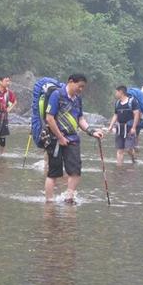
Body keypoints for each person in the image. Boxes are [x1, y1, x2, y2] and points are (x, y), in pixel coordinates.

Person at [43, 73, 103, 203]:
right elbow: (49, 118)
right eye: (79, 86)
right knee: (53, 173)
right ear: (70, 81)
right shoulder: (57, 95)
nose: (80, 89)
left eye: (83, 87)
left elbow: (80, 119)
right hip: (55, 140)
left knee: (75, 172)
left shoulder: (77, 99)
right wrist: (60, 137)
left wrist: (91, 132)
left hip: (73, 139)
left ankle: (69, 198)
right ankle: (49, 202)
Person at [106, 85, 142, 165]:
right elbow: (115, 115)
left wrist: (134, 127)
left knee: (128, 148)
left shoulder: (132, 101)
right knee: (120, 150)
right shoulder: (117, 103)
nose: (115, 94)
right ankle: (119, 168)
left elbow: (136, 114)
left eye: (116, 92)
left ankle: (133, 158)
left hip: (129, 128)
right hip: (119, 128)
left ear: (121, 92)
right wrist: (110, 126)